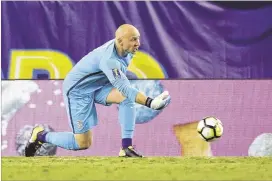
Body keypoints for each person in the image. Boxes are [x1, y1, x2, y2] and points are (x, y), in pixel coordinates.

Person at [25, 24, 171, 157]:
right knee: (82, 143)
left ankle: (126, 148)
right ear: (120, 41)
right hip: (78, 91)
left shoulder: (128, 50)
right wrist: (151, 103)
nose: (138, 43)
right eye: (133, 40)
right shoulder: (109, 60)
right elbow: (125, 88)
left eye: (138, 39)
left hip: (98, 85)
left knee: (125, 98)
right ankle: (41, 135)